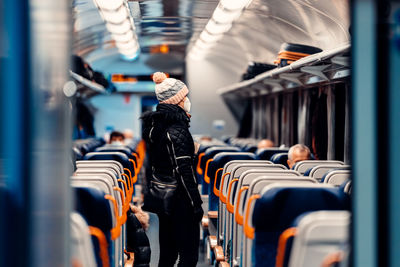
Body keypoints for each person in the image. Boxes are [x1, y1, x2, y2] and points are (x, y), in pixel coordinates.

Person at [140, 72, 203, 267]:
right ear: (177, 101)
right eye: (185, 97)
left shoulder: (155, 127)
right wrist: (195, 204)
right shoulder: (177, 130)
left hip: (164, 197)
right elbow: (184, 172)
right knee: (188, 257)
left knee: (167, 255)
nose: (187, 101)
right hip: (181, 200)